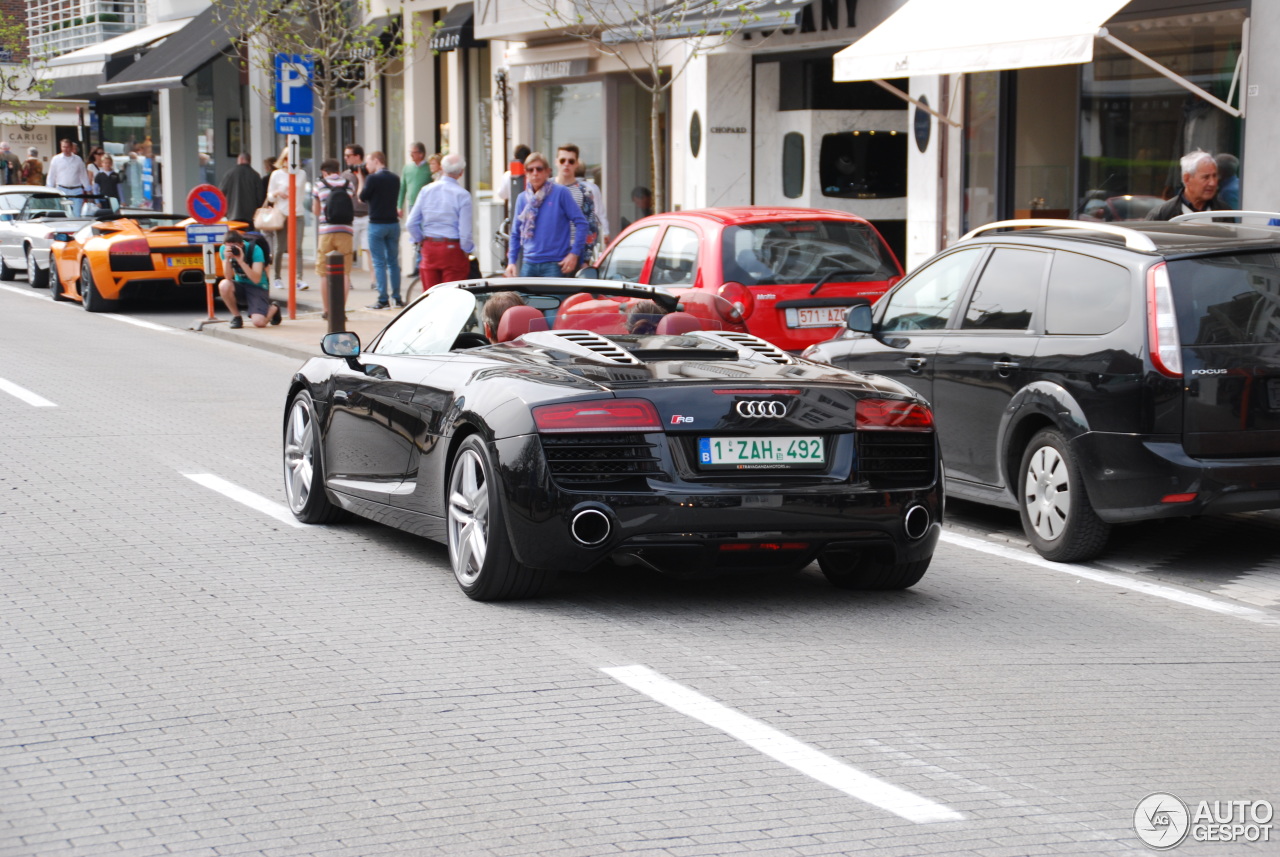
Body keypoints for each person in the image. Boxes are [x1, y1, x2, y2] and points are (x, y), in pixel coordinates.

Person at [505, 152, 588, 278]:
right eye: (530, 170)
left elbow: (582, 223)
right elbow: (515, 233)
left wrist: (574, 254)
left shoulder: (561, 193)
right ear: (526, 173)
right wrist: (511, 262)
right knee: (525, 298)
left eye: (539, 169)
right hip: (529, 263)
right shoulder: (522, 198)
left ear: (547, 172)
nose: (535, 173)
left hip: (555, 264)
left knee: (555, 298)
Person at [406, 152, 473, 296]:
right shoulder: (463, 195)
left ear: (442, 168)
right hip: (452, 248)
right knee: (452, 297)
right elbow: (465, 233)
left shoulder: (426, 190)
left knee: (430, 297)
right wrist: (467, 250)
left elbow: (411, 223)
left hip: (430, 246)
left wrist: (420, 240)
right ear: (461, 173)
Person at [312, 158, 354, 321]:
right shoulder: (348, 184)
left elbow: (316, 211)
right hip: (346, 231)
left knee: (324, 272)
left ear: (324, 171)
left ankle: (327, 310)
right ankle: (340, 311)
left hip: (326, 231)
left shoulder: (319, 185)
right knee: (344, 272)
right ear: (338, 169)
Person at [359, 150, 402, 309]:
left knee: (379, 263)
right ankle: (397, 298)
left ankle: (383, 299)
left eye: (368, 162)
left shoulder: (372, 178)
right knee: (393, 262)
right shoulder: (395, 178)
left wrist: (360, 178)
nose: (366, 166)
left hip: (376, 224)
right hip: (393, 224)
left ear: (376, 161)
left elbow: (362, 197)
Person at [555, 143, 608, 266]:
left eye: (571, 161)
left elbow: (591, 226)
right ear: (556, 162)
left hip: (575, 254)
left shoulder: (584, 192)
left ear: (576, 164)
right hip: (549, 254)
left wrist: (586, 259)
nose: (566, 164)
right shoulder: (547, 189)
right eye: (563, 160)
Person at [218, 230, 281, 329]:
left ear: (241, 244)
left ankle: (274, 308)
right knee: (224, 285)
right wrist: (227, 260)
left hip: (258, 287)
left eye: (234, 246)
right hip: (241, 285)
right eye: (228, 246)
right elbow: (228, 277)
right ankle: (237, 317)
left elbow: (256, 279)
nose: (231, 249)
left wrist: (241, 261)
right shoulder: (223, 250)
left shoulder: (255, 249)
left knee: (259, 323)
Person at [266, 146, 307, 290]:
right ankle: (277, 277)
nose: (294, 161)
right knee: (280, 248)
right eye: (290, 158)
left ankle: (299, 279)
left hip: (297, 213)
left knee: (298, 248)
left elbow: (300, 193)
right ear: (284, 159)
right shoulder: (276, 174)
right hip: (282, 213)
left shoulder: (301, 173)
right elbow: (269, 196)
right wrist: (278, 192)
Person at [1146, 151, 1227, 221]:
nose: (1212, 183)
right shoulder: (1162, 214)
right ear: (1187, 179)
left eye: (1215, 176)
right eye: (1206, 177)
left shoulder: (1224, 213)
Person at [397, 142, 432, 281]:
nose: (411, 154)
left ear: (421, 154)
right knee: (415, 235)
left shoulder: (429, 168)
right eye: (410, 152)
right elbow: (403, 187)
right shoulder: (407, 168)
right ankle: (418, 266)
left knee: (425, 234)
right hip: (412, 205)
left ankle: (421, 264)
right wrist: (399, 205)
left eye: (414, 152)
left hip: (426, 207)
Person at [342, 144, 370, 273]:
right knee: (348, 250)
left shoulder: (369, 172)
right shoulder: (345, 175)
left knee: (369, 250)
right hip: (351, 216)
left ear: (357, 156)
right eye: (345, 155)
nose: (345, 158)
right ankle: (347, 279)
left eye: (348, 155)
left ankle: (374, 281)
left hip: (368, 215)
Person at [219, 152, 266, 226]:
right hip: (250, 215)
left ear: (240, 159)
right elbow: (260, 196)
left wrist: (223, 211)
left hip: (232, 214)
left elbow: (220, 193)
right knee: (249, 236)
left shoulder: (229, 174)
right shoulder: (255, 175)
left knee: (235, 235)